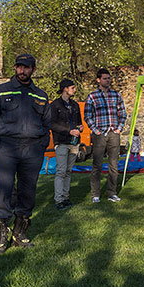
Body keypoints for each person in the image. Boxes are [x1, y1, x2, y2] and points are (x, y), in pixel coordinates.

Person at [0, 54, 51, 254]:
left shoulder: (40, 95)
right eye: (19, 67)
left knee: (28, 191)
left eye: (27, 67)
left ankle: (19, 233)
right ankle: (0, 236)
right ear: (15, 68)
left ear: (33, 70)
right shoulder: (1, 91)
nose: (22, 71)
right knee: (3, 189)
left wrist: (41, 146)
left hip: (32, 150)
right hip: (6, 147)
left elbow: (47, 123)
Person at [84, 68, 127, 204]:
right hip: (99, 134)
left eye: (109, 78)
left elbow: (123, 113)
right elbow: (87, 116)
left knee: (113, 165)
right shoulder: (92, 96)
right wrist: (96, 130)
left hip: (114, 133)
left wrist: (119, 129)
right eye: (105, 78)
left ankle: (112, 193)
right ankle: (95, 194)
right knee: (97, 165)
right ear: (98, 80)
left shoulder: (116, 95)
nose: (107, 81)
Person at [48, 79, 82, 210]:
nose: (75, 90)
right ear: (65, 89)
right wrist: (69, 130)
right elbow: (52, 124)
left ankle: (66, 197)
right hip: (61, 141)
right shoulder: (55, 105)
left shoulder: (75, 105)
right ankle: (58, 200)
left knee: (68, 171)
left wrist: (80, 127)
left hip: (74, 142)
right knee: (61, 171)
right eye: (72, 87)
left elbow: (79, 121)